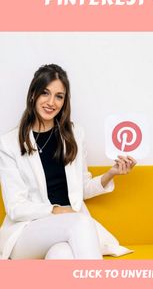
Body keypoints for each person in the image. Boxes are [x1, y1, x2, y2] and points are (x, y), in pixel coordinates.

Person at [0, 64, 136, 259]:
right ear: (33, 95)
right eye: (45, 93)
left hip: (66, 231)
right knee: (81, 221)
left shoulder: (74, 135)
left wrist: (111, 173)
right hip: (26, 232)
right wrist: (56, 210)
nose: (51, 102)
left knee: (62, 255)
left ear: (64, 101)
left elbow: (81, 188)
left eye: (59, 96)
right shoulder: (9, 143)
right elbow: (15, 207)